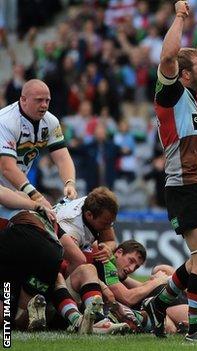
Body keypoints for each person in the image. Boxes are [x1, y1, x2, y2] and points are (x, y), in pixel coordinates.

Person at [141, 1, 197, 342]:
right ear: (184, 74)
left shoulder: (190, 92)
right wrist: (180, 16)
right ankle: (195, 327)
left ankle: (158, 306)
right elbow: (169, 58)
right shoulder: (171, 95)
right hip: (184, 183)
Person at [0, 79, 78, 216]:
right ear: (23, 99)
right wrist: (36, 196)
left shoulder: (51, 122)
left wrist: (69, 183)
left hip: (17, 189)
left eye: (47, 101)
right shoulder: (5, 121)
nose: (44, 105)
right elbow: (7, 168)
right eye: (39, 100)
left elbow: (62, 158)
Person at [0, 188, 57, 331]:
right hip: (53, 251)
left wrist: (35, 204)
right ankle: (23, 316)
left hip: (20, 239)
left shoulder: (19, 205)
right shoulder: (47, 215)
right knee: (23, 309)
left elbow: (3, 193)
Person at [55, 186, 120, 275]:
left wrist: (108, 249)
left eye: (111, 223)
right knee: (87, 262)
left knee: (101, 255)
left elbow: (109, 240)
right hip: (52, 255)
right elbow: (68, 265)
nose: (108, 227)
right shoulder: (71, 229)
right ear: (89, 215)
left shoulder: (99, 205)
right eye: (105, 223)